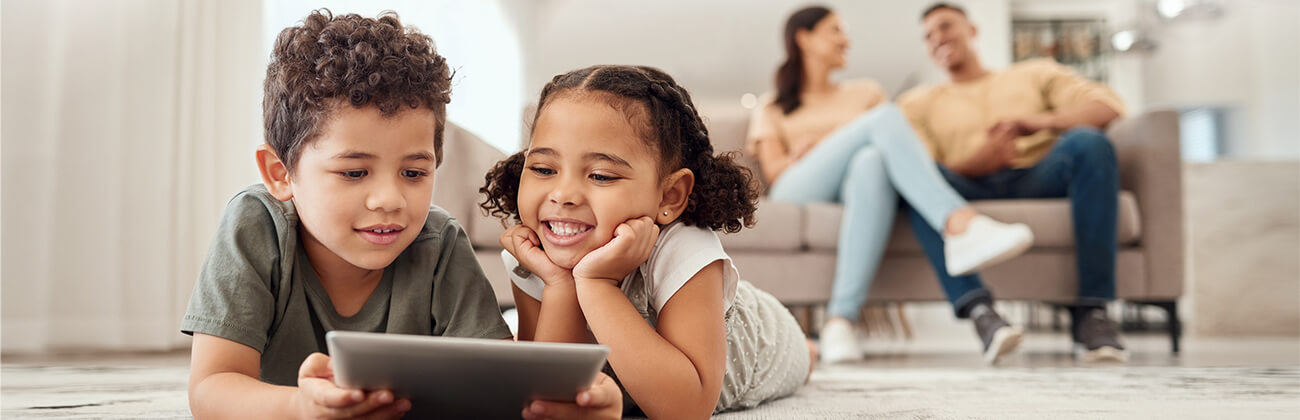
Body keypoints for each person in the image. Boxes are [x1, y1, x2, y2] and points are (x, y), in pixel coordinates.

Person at [181, 10, 621, 419]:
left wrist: (582, 401)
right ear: (281, 174)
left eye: (413, 172)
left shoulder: (440, 243)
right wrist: (301, 407)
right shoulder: (255, 226)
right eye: (354, 172)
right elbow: (211, 388)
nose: (389, 199)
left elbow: (502, 390)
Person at [480, 65, 811, 417]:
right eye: (544, 169)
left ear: (669, 196)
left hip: (768, 341)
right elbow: (544, 395)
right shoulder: (534, 257)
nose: (562, 194)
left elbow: (687, 408)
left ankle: (811, 349)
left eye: (601, 175)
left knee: (803, 356)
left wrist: (596, 284)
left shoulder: (682, 249)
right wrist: (560, 286)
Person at [751, 6, 1034, 364]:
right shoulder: (773, 105)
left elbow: (897, 152)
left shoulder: (864, 92)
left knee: (871, 162)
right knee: (884, 118)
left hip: (857, 191)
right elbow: (775, 173)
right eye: (835, 30)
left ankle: (841, 321)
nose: (846, 39)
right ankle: (960, 224)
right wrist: (811, 152)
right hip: (799, 188)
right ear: (804, 39)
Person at [899, 3, 1129, 363]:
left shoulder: (1034, 73)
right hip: (964, 189)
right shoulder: (917, 102)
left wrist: (1036, 123)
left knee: (1090, 143)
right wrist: (981, 161)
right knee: (916, 185)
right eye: (928, 36)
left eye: (945, 26)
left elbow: (1106, 108)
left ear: (972, 30)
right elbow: (920, 172)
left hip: (1037, 175)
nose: (938, 38)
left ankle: (1092, 312)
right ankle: (981, 313)